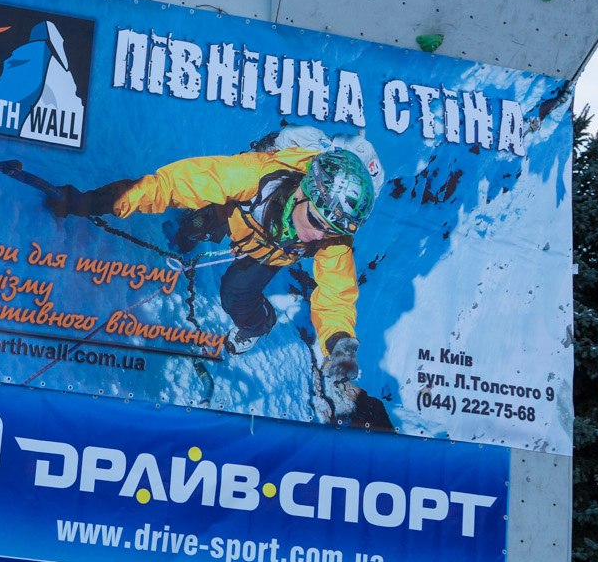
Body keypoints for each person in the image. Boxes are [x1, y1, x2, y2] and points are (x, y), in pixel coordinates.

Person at [54, 144, 376, 416]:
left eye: (330, 231)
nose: (318, 235)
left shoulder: (331, 238)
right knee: (195, 223)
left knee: (234, 295)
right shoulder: (253, 176)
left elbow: (336, 294)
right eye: (316, 222)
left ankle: (257, 325)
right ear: (303, 193)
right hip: (241, 216)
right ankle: (194, 229)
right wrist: (96, 202)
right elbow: (171, 186)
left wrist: (339, 344)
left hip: (269, 252)